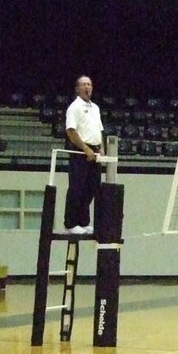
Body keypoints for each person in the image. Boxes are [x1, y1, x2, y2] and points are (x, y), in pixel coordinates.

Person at [63, 75, 104, 235]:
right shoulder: (74, 107)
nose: (87, 87)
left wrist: (100, 148)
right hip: (80, 152)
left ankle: (83, 222)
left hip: (94, 152)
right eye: (84, 84)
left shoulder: (95, 108)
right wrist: (85, 149)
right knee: (77, 187)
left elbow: (99, 130)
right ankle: (70, 223)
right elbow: (71, 130)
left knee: (92, 187)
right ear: (78, 88)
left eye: (89, 84)